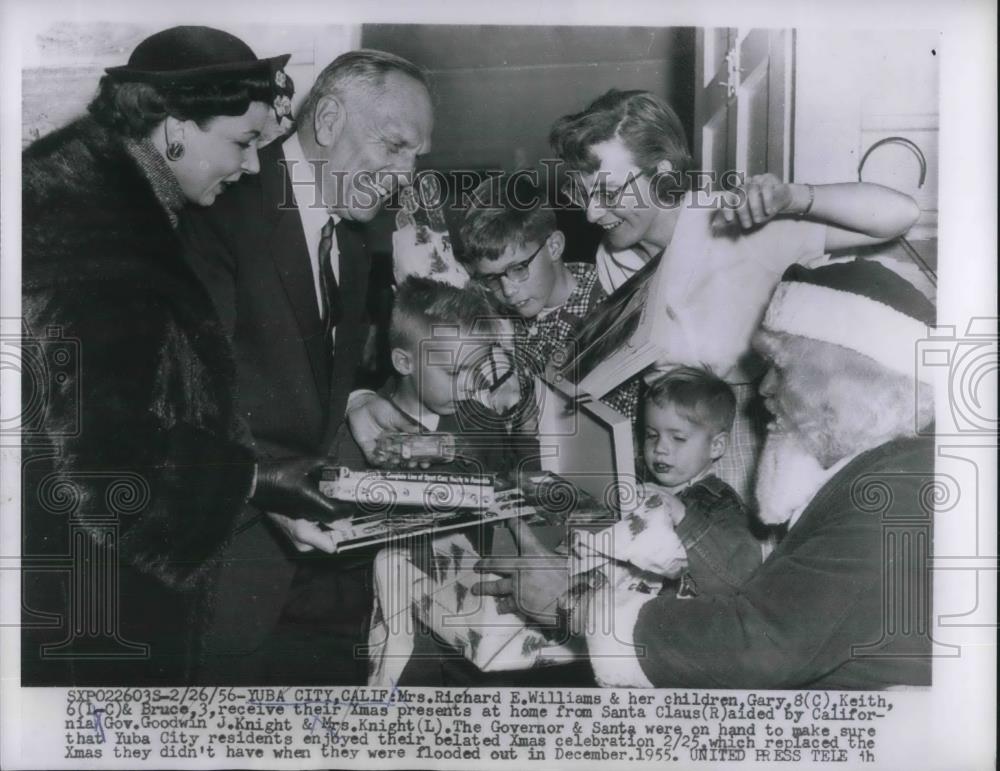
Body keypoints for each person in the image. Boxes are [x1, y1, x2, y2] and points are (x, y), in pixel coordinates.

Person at [21, 26, 341, 685]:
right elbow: (101, 463)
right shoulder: (90, 243)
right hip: (89, 597)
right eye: (243, 141)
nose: (253, 166)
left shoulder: (119, 207)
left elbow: (153, 399)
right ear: (172, 127)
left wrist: (255, 493)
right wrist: (250, 482)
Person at [477, 259, 936, 690]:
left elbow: (758, 645)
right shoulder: (888, 471)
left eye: (781, 369)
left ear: (845, 384)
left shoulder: (893, 494)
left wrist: (572, 603)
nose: (764, 389)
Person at [179, 49, 435, 683]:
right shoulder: (219, 200)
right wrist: (266, 490)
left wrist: (352, 401)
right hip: (227, 570)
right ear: (326, 122)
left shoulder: (351, 226)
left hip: (322, 582)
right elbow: (184, 390)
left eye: (416, 157)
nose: (406, 175)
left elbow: (297, 363)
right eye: (395, 146)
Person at [548, 88, 921, 503]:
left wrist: (794, 197)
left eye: (610, 193)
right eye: (584, 195)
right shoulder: (612, 257)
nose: (592, 214)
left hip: (757, 445)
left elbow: (900, 215)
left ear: (662, 173)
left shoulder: (736, 218)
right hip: (672, 457)